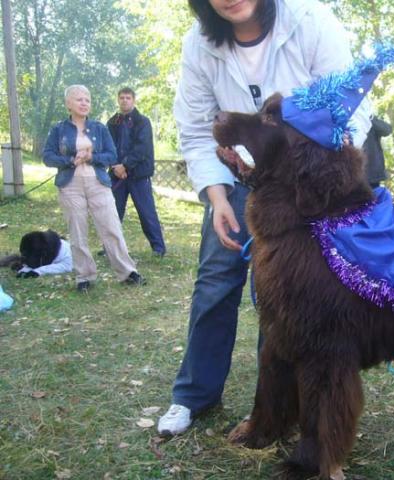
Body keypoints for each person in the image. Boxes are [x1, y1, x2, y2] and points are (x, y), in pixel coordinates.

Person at [158, 0, 371, 435]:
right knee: (215, 280)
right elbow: (197, 128)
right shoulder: (198, 45)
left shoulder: (311, 21)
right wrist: (217, 197)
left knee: (283, 296)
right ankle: (193, 394)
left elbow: (347, 110)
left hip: (306, 183)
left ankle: (275, 410)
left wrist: (314, 177)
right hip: (235, 179)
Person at [42, 84, 146, 292]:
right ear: (68, 104)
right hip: (70, 185)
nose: (84, 103)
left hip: (98, 182)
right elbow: (48, 156)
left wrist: (91, 157)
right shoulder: (59, 129)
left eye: (87, 100)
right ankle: (84, 277)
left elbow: (112, 155)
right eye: (79, 99)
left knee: (111, 227)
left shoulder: (99, 128)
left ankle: (127, 272)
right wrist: (70, 160)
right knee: (78, 231)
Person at [107, 88, 166, 257]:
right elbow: (108, 146)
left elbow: (142, 148)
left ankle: (158, 248)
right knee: (113, 212)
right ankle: (110, 248)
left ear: (133, 100)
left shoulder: (143, 122)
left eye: (128, 98)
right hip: (117, 175)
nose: (125, 100)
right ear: (118, 100)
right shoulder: (112, 122)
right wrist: (115, 167)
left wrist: (125, 166)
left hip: (138, 175)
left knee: (147, 212)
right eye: (122, 98)